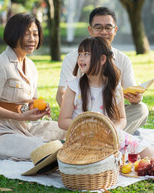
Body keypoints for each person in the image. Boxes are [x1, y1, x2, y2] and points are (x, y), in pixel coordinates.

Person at [0, 13, 66, 161]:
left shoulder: (31, 66)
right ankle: (68, 155)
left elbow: (28, 100)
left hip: (21, 128)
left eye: (35, 34)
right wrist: (21, 116)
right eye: (26, 34)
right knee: (43, 149)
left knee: (67, 129)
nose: (32, 39)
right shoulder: (0, 65)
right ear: (14, 34)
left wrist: (37, 107)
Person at [56, 7, 148, 135]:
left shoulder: (123, 59)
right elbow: (61, 93)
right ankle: (112, 136)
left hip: (109, 115)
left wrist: (137, 98)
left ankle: (111, 136)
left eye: (108, 28)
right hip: (82, 117)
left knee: (141, 109)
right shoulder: (74, 58)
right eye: (98, 27)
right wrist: (79, 117)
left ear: (115, 30)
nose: (103, 32)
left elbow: (129, 94)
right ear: (90, 29)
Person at [58, 37, 153, 158]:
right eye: (79, 54)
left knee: (147, 151)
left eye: (86, 54)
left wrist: (112, 130)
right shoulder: (73, 87)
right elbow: (62, 121)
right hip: (82, 138)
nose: (81, 58)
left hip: (109, 136)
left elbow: (122, 119)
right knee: (92, 158)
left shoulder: (114, 87)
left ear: (102, 59)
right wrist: (88, 129)